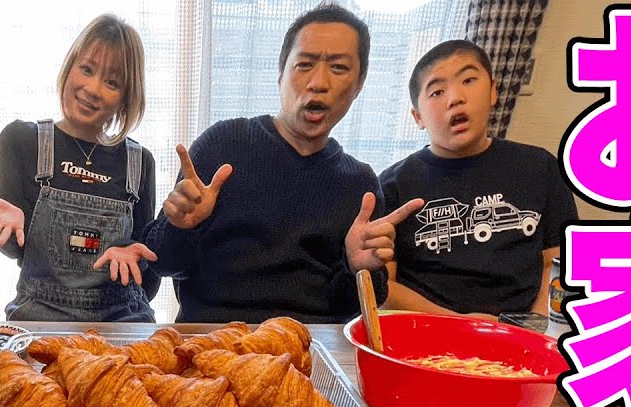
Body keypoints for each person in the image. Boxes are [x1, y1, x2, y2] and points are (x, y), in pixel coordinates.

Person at [142, 4, 422, 324]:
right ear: (280, 75)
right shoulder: (223, 144)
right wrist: (180, 227)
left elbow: (354, 310)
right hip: (212, 342)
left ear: (358, 85)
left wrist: (357, 267)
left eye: (339, 68)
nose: (319, 82)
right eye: (304, 64)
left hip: (308, 349)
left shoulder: (360, 185)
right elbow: (160, 262)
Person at [0, 14, 158, 322]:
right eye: (86, 69)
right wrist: (12, 232)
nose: (93, 88)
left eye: (112, 82)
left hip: (121, 319)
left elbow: (146, 280)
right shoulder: (20, 141)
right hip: (39, 315)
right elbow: (16, 254)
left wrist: (130, 253)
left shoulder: (140, 161)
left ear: (126, 97)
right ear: (69, 67)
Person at [379, 40, 578, 318]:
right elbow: (382, 287)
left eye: (469, 80)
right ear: (417, 116)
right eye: (436, 92)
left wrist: (536, 327)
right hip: (426, 331)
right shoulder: (392, 185)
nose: (455, 98)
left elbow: (557, 264)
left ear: (494, 91)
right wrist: (462, 325)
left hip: (521, 335)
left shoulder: (540, 168)